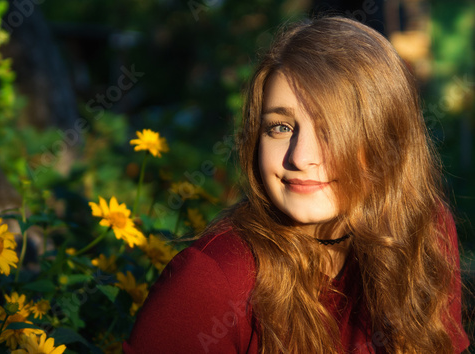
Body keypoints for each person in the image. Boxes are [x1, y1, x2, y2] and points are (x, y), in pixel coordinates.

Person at [123, 17, 470, 353]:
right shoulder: (213, 281)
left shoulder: (423, 232)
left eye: (330, 128)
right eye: (281, 127)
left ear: (387, 139)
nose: (301, 158)